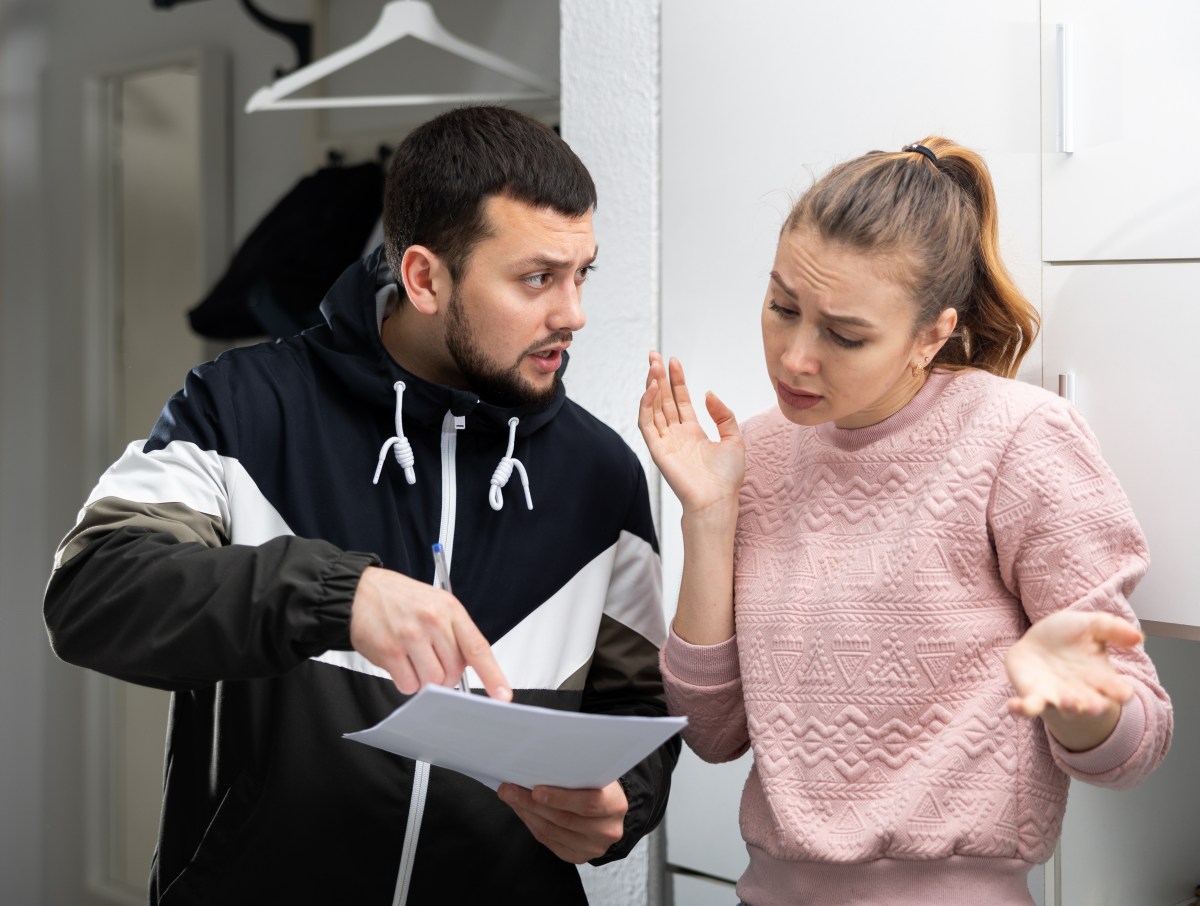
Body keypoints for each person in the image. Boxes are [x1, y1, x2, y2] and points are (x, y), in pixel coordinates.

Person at [44, 105, 679, 905]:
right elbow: (95, 591)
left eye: (581, 274)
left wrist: (621, 805)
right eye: (536, 279)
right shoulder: (240, 410)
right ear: (423, 277)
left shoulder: (602, 474)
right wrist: (337, 596)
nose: (573, 314)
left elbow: (636, 707)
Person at [639, 137, 1172, 905]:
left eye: (844, 335)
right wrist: (709, 515)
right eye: (782, 306)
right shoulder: (753, 452)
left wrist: (1079, 701)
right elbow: (712, 734)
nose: (794, 357)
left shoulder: (1019, 437)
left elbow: (1137, 745)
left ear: (932, 334)